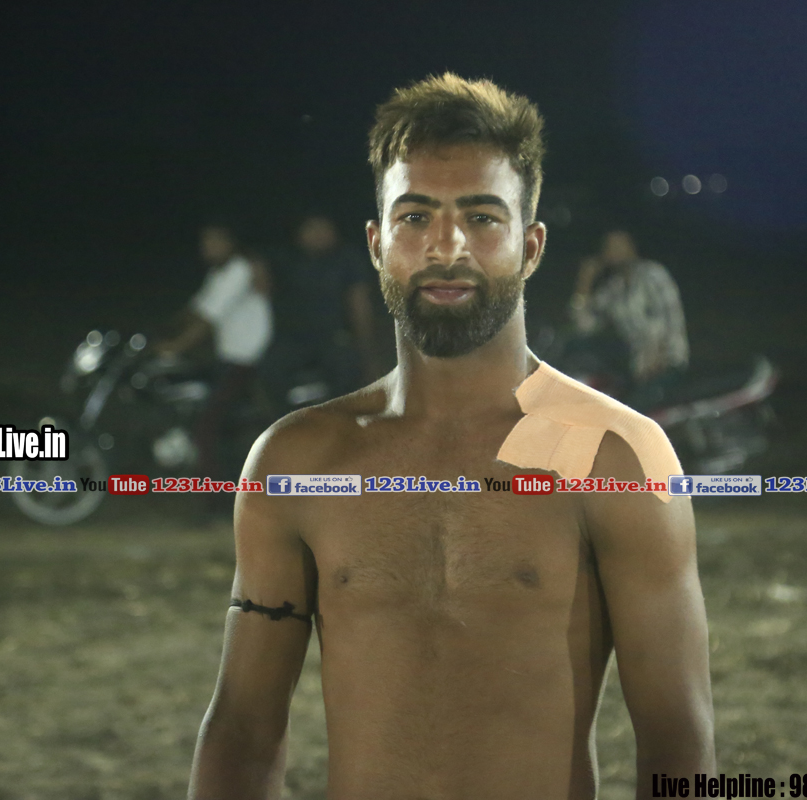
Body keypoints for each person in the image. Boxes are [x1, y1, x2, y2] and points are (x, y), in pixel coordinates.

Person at [189, 74, 714, 799]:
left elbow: (677, 742)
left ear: (531, 246)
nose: (446, 245)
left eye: (482, 216)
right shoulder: (301, 460)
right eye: (415, 216)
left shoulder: (613, 454)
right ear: (377, 243)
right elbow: (242, 732)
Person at [157, 223, 273, 485]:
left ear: (231, 242)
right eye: (206, 241)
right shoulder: (219, 272)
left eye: (216, 241)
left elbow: (207, 319)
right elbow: (197, 308)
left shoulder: (240, 269)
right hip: (229, 357)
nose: (208, 247)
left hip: (245, 359)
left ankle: (216, 494)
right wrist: (164, 329)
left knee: (206, 427)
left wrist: (175, 346)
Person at [570, 230, 690, 409]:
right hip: (637, 371)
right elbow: (585, 326)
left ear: (632, 248)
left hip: (667, 364)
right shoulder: (614, 289)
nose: (615, 251)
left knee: (631, 416)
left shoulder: (652, 275)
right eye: (610, 247)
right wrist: (584, 283)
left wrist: (655, 362)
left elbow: (665, 322)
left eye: (620, 245)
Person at [265, 215, 381, 397]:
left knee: (346, 373)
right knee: (271, 369)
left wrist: (365, 347)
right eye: (311, 228)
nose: (318, 234)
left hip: (335, 336)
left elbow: (359, 303)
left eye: (324, 228)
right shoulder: (286, 259)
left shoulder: (347, 259)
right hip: (294, 338)